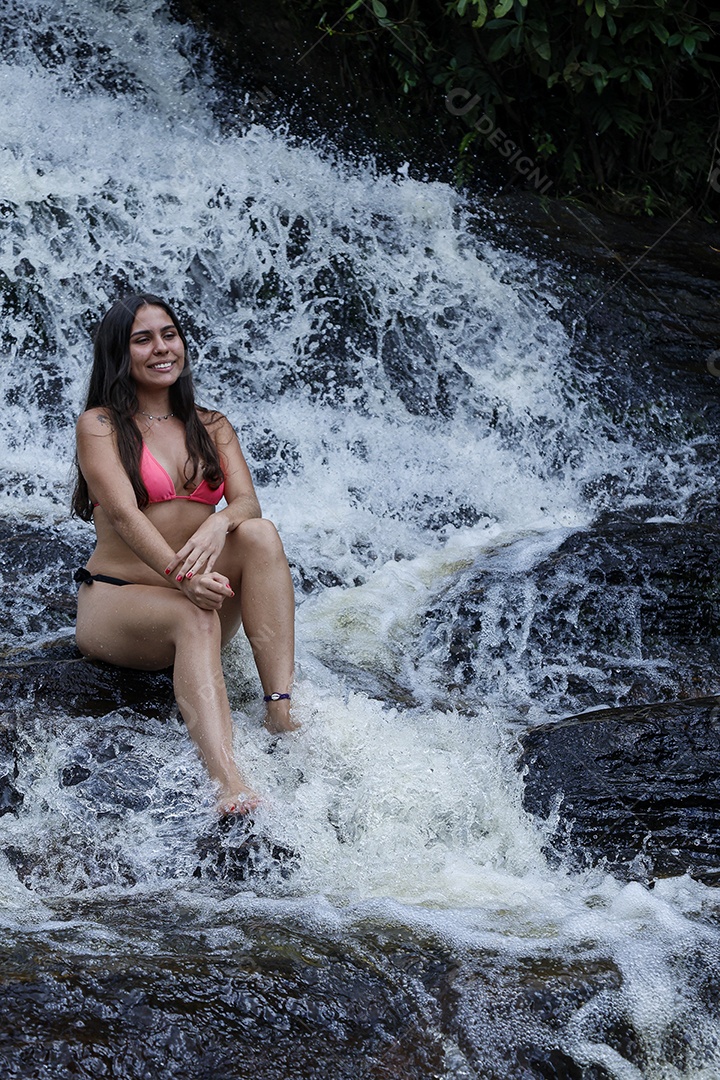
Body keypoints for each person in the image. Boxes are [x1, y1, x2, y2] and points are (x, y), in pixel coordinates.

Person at [72, 293, 297, 816]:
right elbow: (126, 516)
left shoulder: (211, 425)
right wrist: (183, 579)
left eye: (168, 335)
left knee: (260, 533)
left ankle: (280, 710)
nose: (160, 348)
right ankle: (228, 781)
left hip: (195, 584)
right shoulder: (100, 426)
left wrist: (221, 522)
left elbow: (246, 500)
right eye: (142, 339)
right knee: (192, 614)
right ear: (118, 353)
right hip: (121, 600)